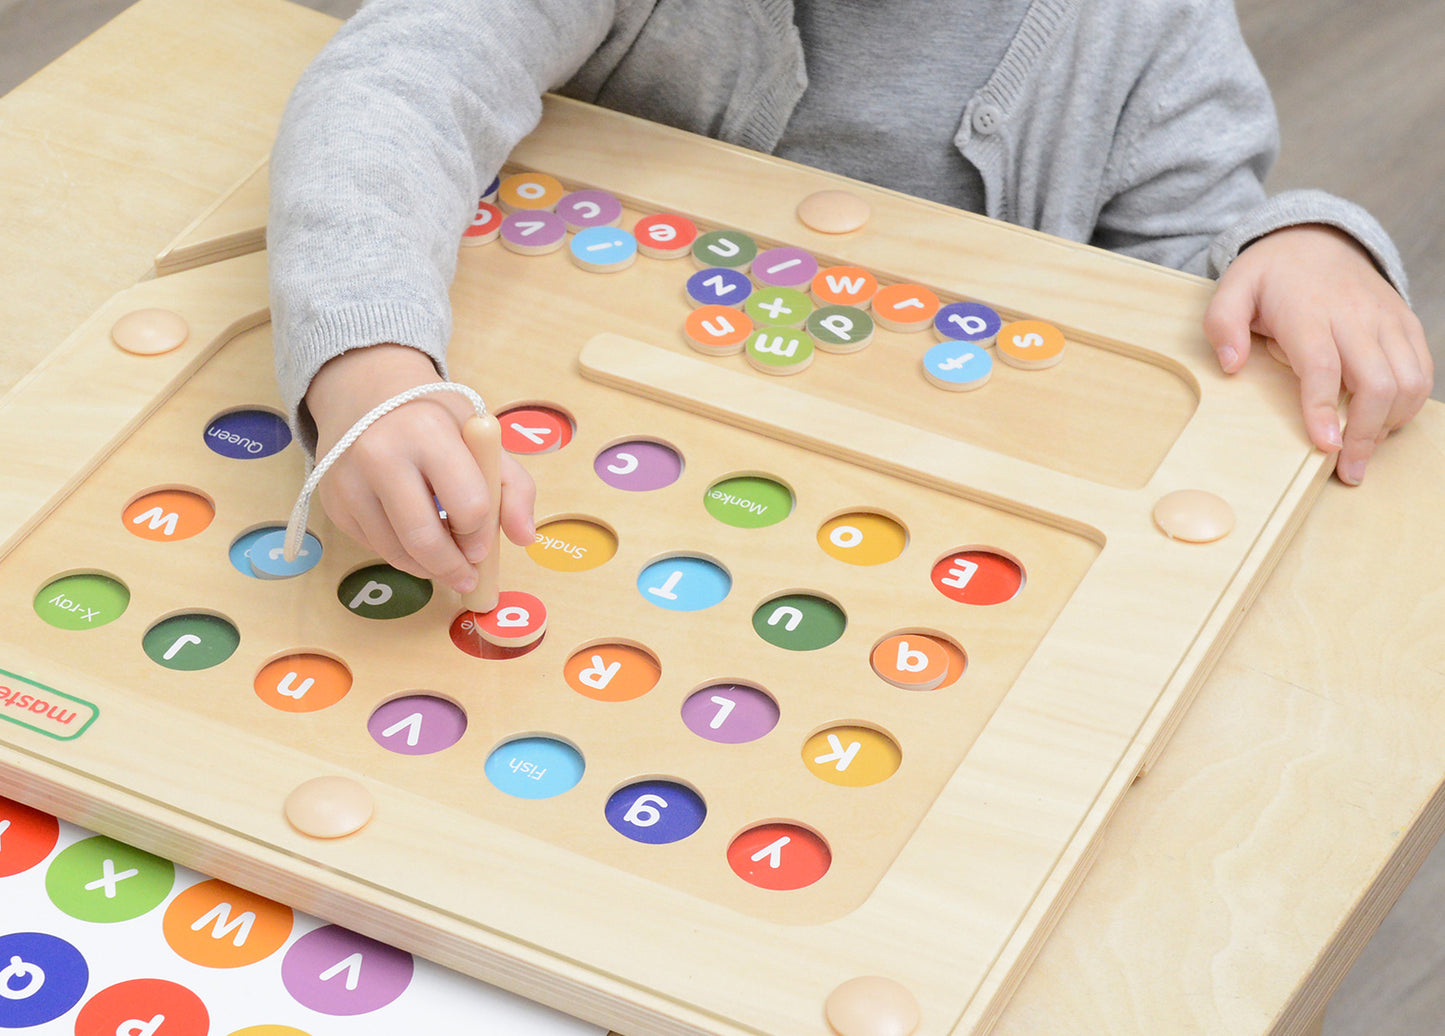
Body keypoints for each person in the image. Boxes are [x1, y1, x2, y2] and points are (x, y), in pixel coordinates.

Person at [269, 0, 1433, 595]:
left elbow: (1187, 278)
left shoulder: (1148, 29)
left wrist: (1302, 241)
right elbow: (399, 83)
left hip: (908, 539)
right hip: (562, 469)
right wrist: (367, 359)